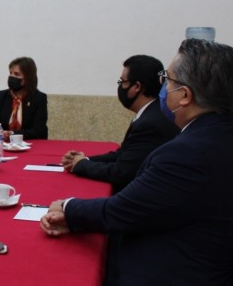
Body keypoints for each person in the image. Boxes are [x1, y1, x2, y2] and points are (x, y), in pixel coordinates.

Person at [40, 39, 233, 286]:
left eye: (168, 80)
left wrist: (68, 208)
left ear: (185, 95)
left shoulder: (190, 153)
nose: (163, 88)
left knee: (62, 279)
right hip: (192, 278)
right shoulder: (226, 137)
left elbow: (122, 211)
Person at [61, 55, 179, 193]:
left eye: (122, 82)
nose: (120, 86)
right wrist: (83, 159)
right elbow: (124, 154)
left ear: (137, 86)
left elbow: (122, 173)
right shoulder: (151, 112)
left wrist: (81, 165)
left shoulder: (150, 123)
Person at [0, 56, 47, 140]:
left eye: (16, 74)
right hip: (2, 143)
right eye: (10, 73)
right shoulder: (1, 96)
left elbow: (38, 131)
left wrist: (12, 134)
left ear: (28, 78)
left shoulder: (39, 98)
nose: (11, 76)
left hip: (30, 143)